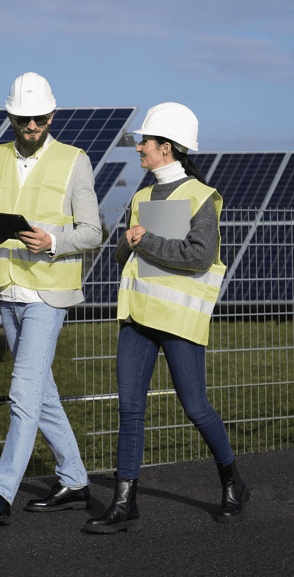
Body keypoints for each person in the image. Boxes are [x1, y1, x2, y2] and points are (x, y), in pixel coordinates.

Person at [83, 102, 250, 534]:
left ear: (167, 148)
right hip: (137, 317)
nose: (139, 147)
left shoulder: (199, 196)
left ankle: (232, 481)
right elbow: (127, 256)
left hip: (177, 319)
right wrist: (128, 242)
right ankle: (124, 502)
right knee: (130, 410)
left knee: (195, 408)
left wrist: (145, 240)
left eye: (146, 142)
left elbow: (199, 256)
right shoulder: (141, 197)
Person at [0, 72, 102, 525]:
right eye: (24, 119)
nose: (32, 126)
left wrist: (53, 241)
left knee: (22, 392)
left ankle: (0, 493)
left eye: (40, 119)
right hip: (7, 288)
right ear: (10, 117)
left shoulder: (74, 160)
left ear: (51, 116)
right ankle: (75, 480)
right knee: (41, 394)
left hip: (48, 293)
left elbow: (93, 232)